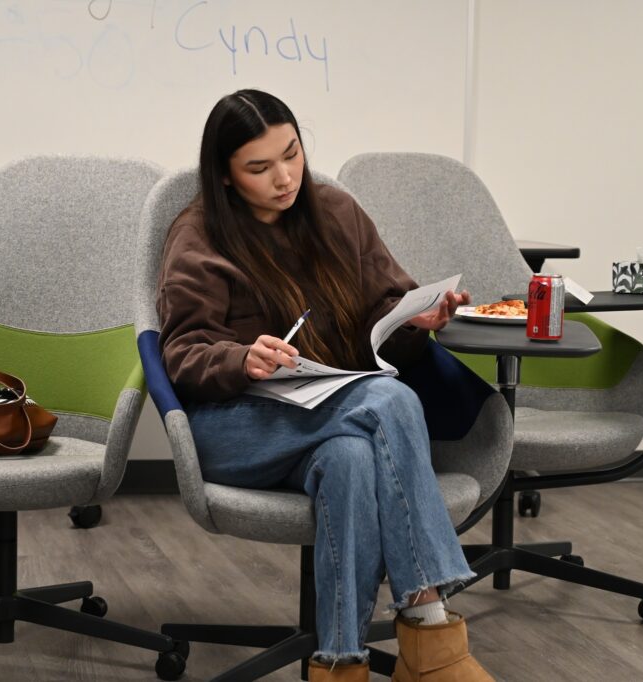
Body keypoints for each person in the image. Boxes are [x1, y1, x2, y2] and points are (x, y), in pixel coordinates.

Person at [157, 89, 494, 682]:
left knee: (350, 459)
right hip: (233, 426)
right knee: (389, 400)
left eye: (292, 154)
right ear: (226, 175)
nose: (285, 177)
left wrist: (414, 322)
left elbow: (384, 314)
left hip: (331, 414)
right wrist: (241, 358)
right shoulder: (199, 236)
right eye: (260, 167)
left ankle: (340, 663)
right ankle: (432, 634)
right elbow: (181, 354)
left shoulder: (337, 212)